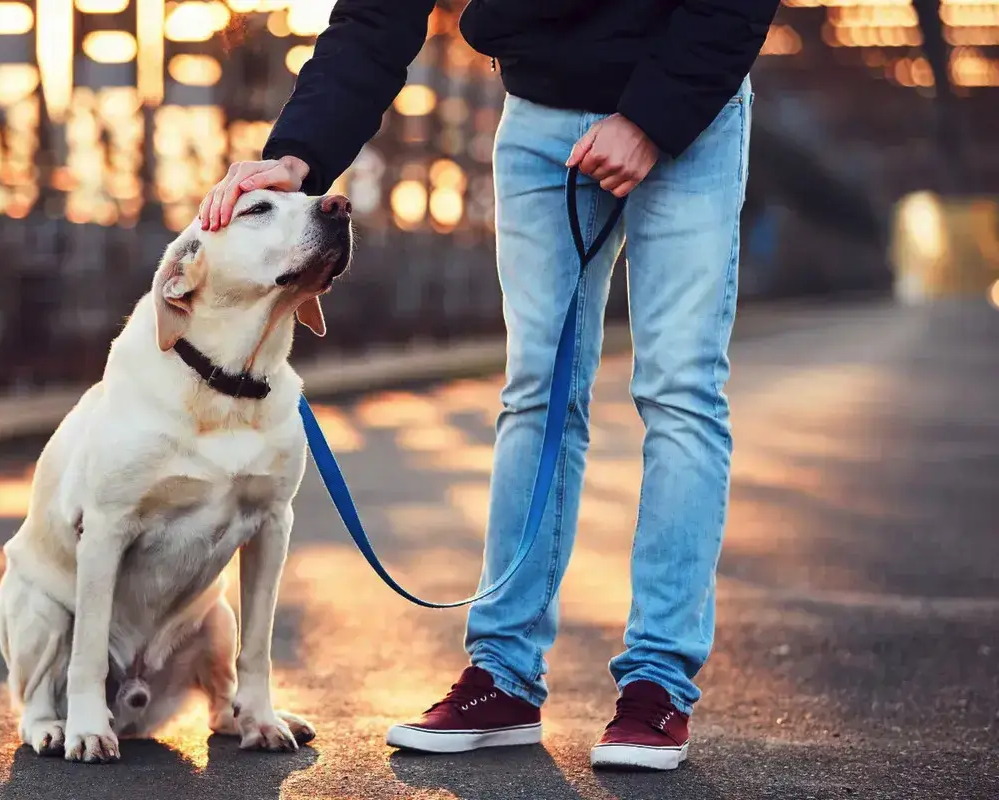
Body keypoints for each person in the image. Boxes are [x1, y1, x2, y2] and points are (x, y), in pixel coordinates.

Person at [199, 0, 779, 771]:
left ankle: (657, 686)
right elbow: (375, 15)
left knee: (679, 391)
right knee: (535, 394)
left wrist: (650, 118)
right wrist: (297, 156)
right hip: (539, 117)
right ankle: (503, 676)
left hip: (688, 115)